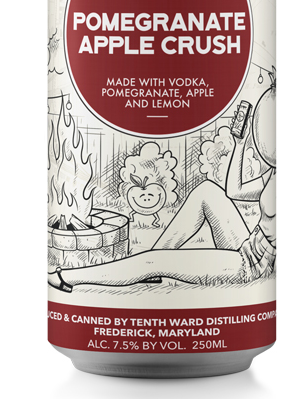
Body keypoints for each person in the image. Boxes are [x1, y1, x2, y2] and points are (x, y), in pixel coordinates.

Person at [48, 113, 276, 292]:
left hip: (252, 266)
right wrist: (239, 143)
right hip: (250, 244)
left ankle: (66, 277)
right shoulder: (274, 170)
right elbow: (235, 190)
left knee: (153, 261)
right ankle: (154, 263)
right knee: (207, 191)